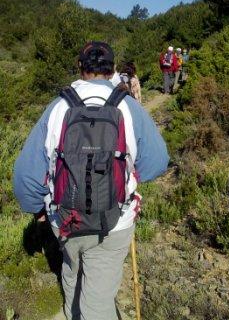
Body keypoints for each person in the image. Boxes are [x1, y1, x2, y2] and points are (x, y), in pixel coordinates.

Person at [13, 41, 169, 320]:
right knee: (97, 305)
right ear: (112, 69)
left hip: (65, 219)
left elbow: (25, 175)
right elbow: (157, 161)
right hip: (115, 222)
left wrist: (39, 209)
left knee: (71, 271)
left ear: (79, 67)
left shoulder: (59, 106)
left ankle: (73, 313)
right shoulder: (128, 106)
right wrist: (128, 182)